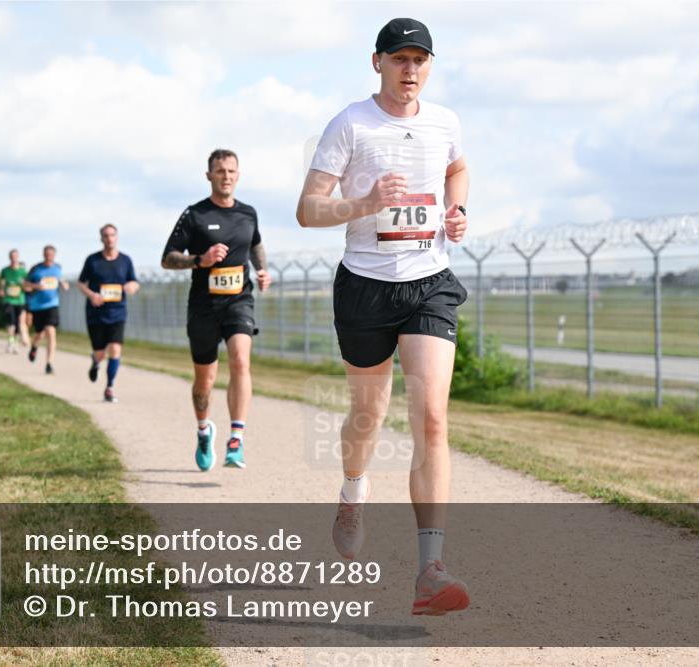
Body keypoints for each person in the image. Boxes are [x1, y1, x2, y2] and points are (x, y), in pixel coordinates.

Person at [296, 18, 470, 616]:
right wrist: (366, 203)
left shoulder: (444, 121)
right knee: (368, 417)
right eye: (400, 58)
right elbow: (307, 209)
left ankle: (430, 568)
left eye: (420, 59)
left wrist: (457, 208)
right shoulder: (351, 124)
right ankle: (352, 490)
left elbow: (457, 167)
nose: (411, 69)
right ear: (378, 63)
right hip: (366, 287)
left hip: (429, 281)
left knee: (431, 417)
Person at [162, 148, 271, 471]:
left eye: (232, 171)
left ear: (238, 175)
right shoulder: (194, 215)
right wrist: (200, 260)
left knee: (240, 359)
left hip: (239, 300)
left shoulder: (248, 213)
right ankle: (203, 429)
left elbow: (255, 245)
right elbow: (167, 258)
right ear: (209, 175)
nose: (226, 177)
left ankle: (236, 439)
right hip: (203, 306)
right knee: (205, 382)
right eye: (220, 171)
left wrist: (262, 270)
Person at [78, 224, 139, 403]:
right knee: (99, 352)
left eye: (112, 235)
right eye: (106, 235)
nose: (109, 238)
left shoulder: (125, 260)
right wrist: (92, 295)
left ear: (117, 237)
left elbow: (135, 282)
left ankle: (109, 387)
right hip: (96, 313)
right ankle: (95, 362)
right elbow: (81, 283)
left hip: (117, 313)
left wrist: (131, 287)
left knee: (115, 348)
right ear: (101, 238)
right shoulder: (93, 260)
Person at [23, 245, 69, 374]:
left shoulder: (58, 268)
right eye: (47, 254)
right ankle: (34, 347)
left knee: (51, 331)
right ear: (43, 255)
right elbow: (25, 285)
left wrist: (64, 284)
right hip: (37, 306)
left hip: (52, 305)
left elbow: (60, 280)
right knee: (40, 334)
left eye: (51, 255)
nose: (49, 257)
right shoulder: (36, 269)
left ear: (54, 255)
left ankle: (49, 363)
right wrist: (35, 286)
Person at [0, 249, 31, 354]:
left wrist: (24, 285)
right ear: (10, 257)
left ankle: (15, 342)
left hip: (20, 301)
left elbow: (28, 287)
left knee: (18, 324)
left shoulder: (23, 271)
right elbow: (2, 283)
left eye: (15, 256)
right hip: (9, 300)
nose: (14, 258)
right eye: (12, 256)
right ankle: (10, 342)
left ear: (18, 257)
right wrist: (1, 290)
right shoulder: (5, 271)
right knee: (11, 323)